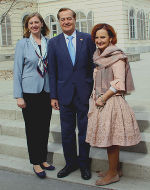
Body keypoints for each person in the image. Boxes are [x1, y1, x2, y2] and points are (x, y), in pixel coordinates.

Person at [86, 23, 141, 186]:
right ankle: (114, 169)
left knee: (111, 140)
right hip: (101, 100)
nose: (99, 40)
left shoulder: (117, 56)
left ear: (111, 37)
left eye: (103, 36)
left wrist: (103, 98)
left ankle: (112, 174)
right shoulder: (98, 55)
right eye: (96, 37)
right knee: (108, 138)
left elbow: (118, 83)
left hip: (111, 101)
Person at [47, 8, 96, 180]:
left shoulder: (88, 39)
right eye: (62, 19)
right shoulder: (53, 43)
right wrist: (53, 96)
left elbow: (93, 66)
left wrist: (95, 91)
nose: (66, 22)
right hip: (64, 94)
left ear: (75, 20)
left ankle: (84, 165)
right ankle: (70, 164)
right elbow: (52, 72)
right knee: (67, 131)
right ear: (59, 22)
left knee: (84, 131)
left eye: (69, 18)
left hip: (84, 93)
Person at [13, 12, 55, 179]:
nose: (34, 25)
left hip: (46, 90)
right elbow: (17, 70)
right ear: (27, 26)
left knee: (44, 126)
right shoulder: (22, 44)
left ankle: (43, 159)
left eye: (37, 22)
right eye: (31, 23)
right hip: (29, 92)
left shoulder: (49, 43)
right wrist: (19, 96)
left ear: (42, 24)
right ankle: (35, 162)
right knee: (32, 129)